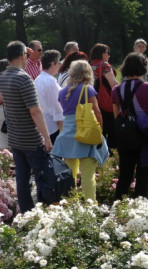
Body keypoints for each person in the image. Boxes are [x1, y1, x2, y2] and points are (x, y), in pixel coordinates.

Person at [0, 40, 52, 214]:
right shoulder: (23, 78)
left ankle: (27, 212)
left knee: (22, 178)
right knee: (42, 176)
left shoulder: (4, 76)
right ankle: (45, 213)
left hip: (15, 137)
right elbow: (35, 111)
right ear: (22, 56)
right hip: (31, 138)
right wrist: (47, 137)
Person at [51, 60, 109, 201]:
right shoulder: (87, 89)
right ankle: (90, 205)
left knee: (71, 174)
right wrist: (99, 131)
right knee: (88, 175)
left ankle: (72, 204)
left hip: (67, 134)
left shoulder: (63, 91)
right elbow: (96, 111)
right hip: (86, 132)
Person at [111, 53, 148, 200]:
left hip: (125, 135)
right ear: (143, 67)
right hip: (145, 133)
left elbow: (116, 116)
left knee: (125, 175)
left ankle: (118, 207)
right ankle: (141, 207)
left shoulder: (116, 89)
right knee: (143, 174)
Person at [90, 43, 119, 149]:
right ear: (102, 54)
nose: (109, 55)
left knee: (99, 128)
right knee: (112, 128)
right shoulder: (105, 65)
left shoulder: (89, 65)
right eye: (108, 53)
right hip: (106, 101)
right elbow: (114, 84)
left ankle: (100, 153)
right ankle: (111, 154)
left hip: (92, 100)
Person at [35, 50, 65, 143]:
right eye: (58, 63)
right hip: (50, 127)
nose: (59, 66)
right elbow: (56, 106)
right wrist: (64, 127)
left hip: (41, 125)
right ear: (53, 63)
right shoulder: (50, 81)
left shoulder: (38, 79)